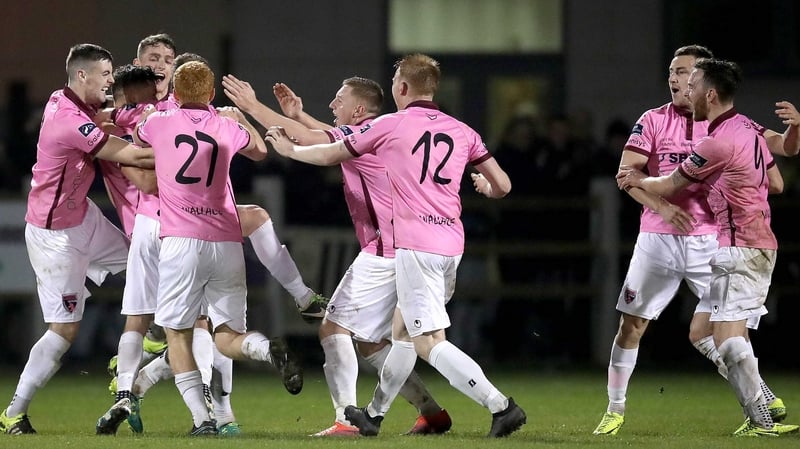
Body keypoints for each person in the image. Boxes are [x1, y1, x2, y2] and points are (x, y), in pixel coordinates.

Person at [265, 53, 526, 438]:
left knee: (428, 343)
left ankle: (501, 406)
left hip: (415, 247)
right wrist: (486, 188)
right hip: (451, 244)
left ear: (402, 88)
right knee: (402, 334)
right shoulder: (463, 130)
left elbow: (333, 151)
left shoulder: (392, 125)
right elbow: (502, 185)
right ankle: (372, 414)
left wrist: (289, 151)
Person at [222, 74, 453, 436]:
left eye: (338, 99)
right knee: (372, 341)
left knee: (332, 327)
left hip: (383, 252)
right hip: (403, 249)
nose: (332, 105)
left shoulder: (367, 132)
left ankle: (347, 419)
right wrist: (299, 115)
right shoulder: (375, 131)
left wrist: (252, 108)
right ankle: (431, 412)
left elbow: (311, 141)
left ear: (359, 109)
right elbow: (324, 135)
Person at [592, 45, 798, 437]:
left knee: (722, 330)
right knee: (633, 325)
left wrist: (734, 191)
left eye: (685, 72)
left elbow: (778, 164)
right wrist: (663, 207)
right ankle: (614, 409)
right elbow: (627, 174)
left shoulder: (726, 127)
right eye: (671, 70)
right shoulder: (652, 120)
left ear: (702, 83)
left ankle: (760, 408)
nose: (675, 78)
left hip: (714, 240)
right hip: (659, 238)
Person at [0, 43, 155, 435]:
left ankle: (135, 351)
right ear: (82, 76)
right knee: (64, 330)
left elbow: (105, 115)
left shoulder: (64, 99)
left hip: (83, 217)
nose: (110, 82)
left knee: (144, 263)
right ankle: (14, 412)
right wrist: (184, 141)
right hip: (54, 237)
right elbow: (130, 156)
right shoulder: (69, 119)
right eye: (105, 75)